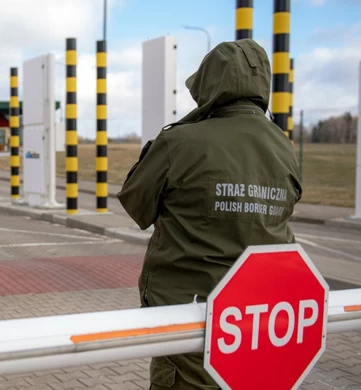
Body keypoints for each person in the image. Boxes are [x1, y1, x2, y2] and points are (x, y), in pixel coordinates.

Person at [117, 39, 302, 389]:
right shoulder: (284, 147)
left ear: (209, 85)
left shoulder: (180, 142)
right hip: (260, 322)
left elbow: (136, 204)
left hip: (190, 318)